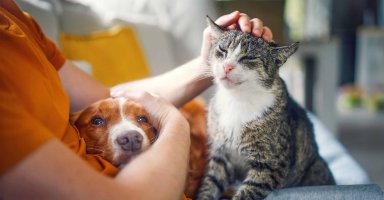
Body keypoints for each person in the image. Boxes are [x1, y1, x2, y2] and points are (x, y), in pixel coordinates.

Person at [0, 0, 273, 199]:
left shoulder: (15, 18)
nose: (128, 134)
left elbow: (109, 100)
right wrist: (173, 123)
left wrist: (207, 66)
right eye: (97, 122)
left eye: (143, 120)